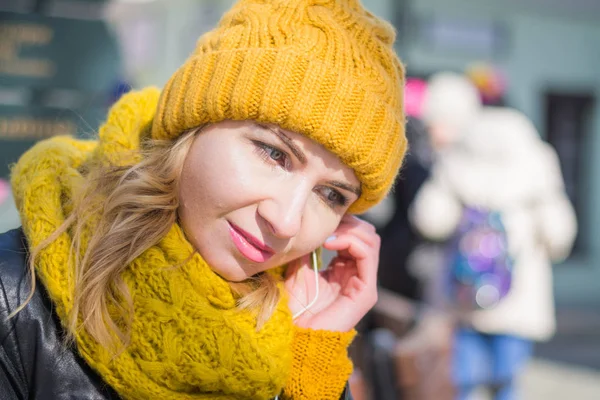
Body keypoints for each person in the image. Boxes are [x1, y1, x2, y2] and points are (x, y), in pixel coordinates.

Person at [0, 0, 407, 399]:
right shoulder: (14, 298)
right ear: (193, 126)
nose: (287, 221)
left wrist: (311, 368)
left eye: (331, 195)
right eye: (274, 153)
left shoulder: (297, 329)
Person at [410, 107, 577, 400]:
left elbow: (429, 220)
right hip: (519, 298)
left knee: (464, 383)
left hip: (463, 296)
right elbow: (559, 234)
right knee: (508, 383)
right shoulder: (536, 163)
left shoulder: (458, 160)